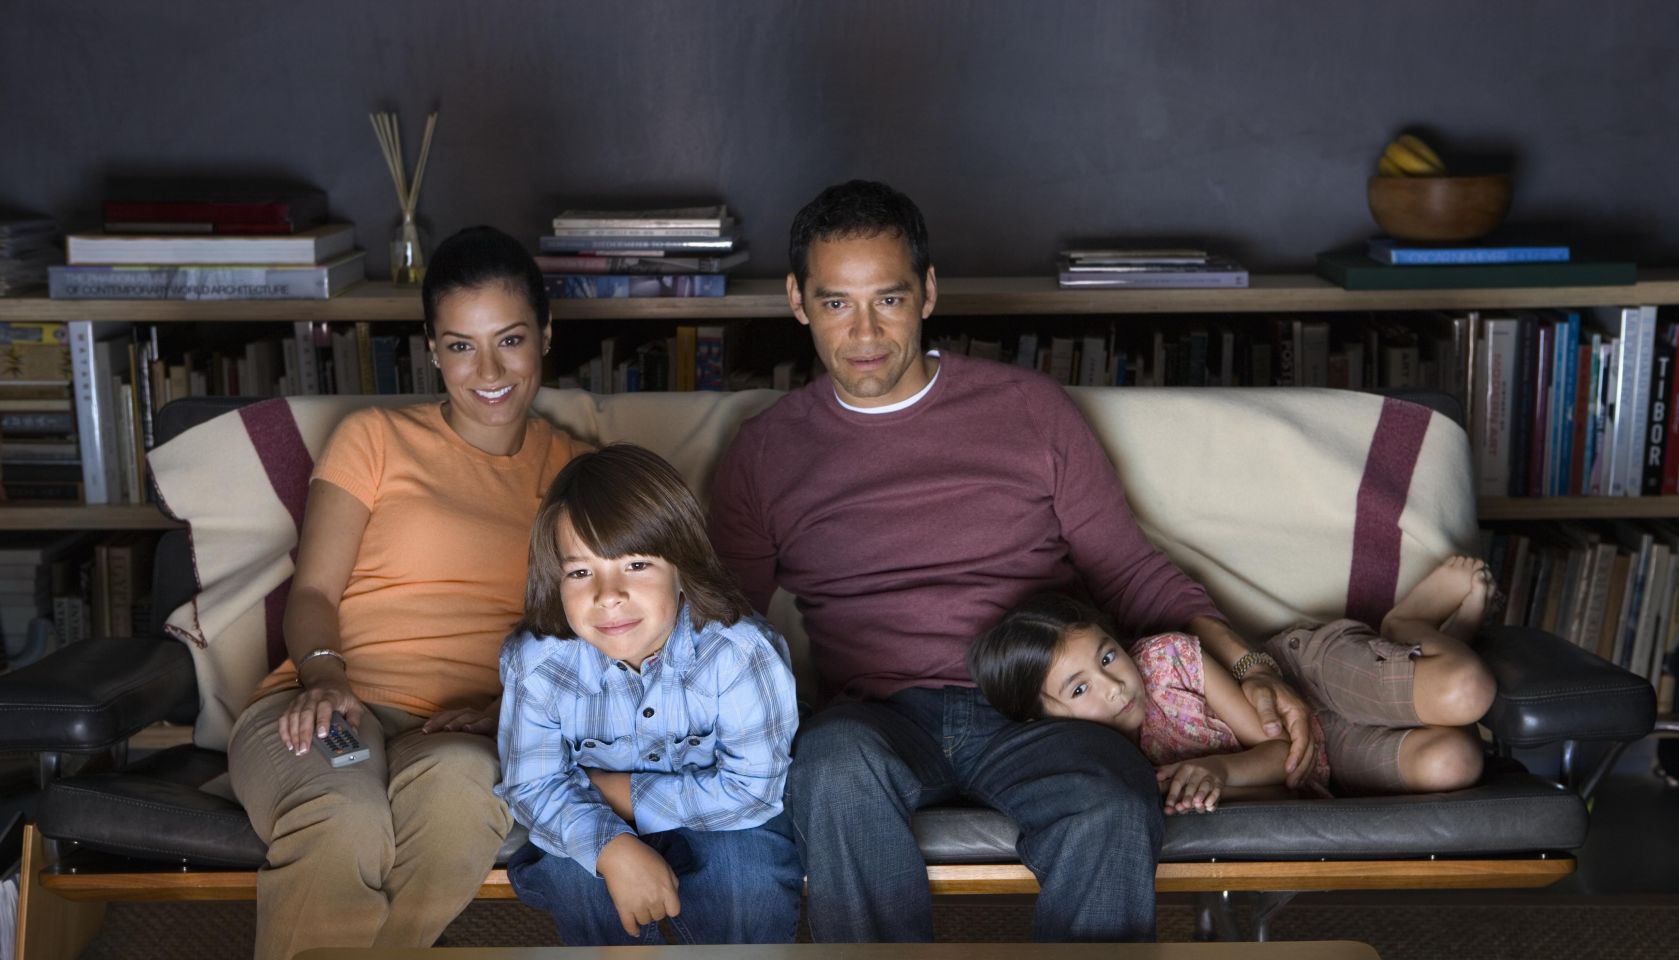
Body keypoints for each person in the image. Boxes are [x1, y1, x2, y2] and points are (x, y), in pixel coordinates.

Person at [706, 179, 1316, 943]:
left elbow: (1129, 571)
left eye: (888, 299)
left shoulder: (1028, 409)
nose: (864, 332)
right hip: (877, 720)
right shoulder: (765, 452)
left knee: (1109, 799)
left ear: (927, 293)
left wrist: (1251, 665)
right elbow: (725, 622)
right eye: (836, 303)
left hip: (1039, 709)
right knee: (830, 767)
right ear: (798, 301)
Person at [226, 226, 587, 960]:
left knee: (461, 795)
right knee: (342, 814)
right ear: (431, 350)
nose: (488, 370)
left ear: (546, 334)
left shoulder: (580, 477)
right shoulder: (374, 439)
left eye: (510, 340)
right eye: (460, 346)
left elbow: (600, 636)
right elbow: (314, 591)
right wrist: (324, 678)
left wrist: (510, 714)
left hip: (468, 730)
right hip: (334, 701)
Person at [497, 443, 803, 945]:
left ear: (683, 567)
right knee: (577, 875)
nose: (608, 595)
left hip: (728, 821)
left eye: (636, 565)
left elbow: (753, 792)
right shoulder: (538, 663)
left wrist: (622, 792)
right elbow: (533, 787)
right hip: (592, 818)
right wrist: (612, 847)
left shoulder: (741, 652)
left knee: (748, 878)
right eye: (580, 572)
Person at [968, 557, 1499, 813]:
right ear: (1046, 718)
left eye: (1107, 656)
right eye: (1079, 690)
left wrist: (1219, 769)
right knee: (1456, 763)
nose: (1113, 685)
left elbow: (1279, 746)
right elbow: (1286, 788)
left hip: (1306, 681)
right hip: (1325, 763)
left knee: (1468, 691)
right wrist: (1214, 786)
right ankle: (1422, 668)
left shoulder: (1167, 661)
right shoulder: (1114, 769)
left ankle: (1407, 624)